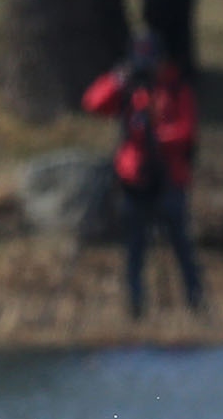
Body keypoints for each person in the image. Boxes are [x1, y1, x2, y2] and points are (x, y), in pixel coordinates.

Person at [81, 33, 204, 318]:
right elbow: (92, 103)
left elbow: (187, 131)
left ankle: (196, 303)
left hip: (169, 179)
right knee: (134, 248)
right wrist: (117, 80)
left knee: (181, 245)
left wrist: (156, 135)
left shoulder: (175, 89)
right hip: (134, 180)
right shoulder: (129, 91)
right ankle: (136, 307)